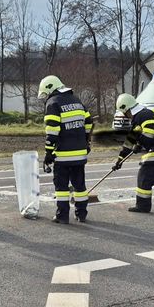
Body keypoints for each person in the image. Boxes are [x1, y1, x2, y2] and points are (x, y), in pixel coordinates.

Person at [38, 75, 93, 224]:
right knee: (79, 185)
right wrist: (86, 141)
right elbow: (88, 122)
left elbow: (52, 131)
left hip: (62, 155)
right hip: (80, 154)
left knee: (61, 187)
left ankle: (62, 216)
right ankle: (81, 214)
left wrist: (48, 153)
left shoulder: (52, 103)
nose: (46, 97)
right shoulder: (77, 100)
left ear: (50, 89)